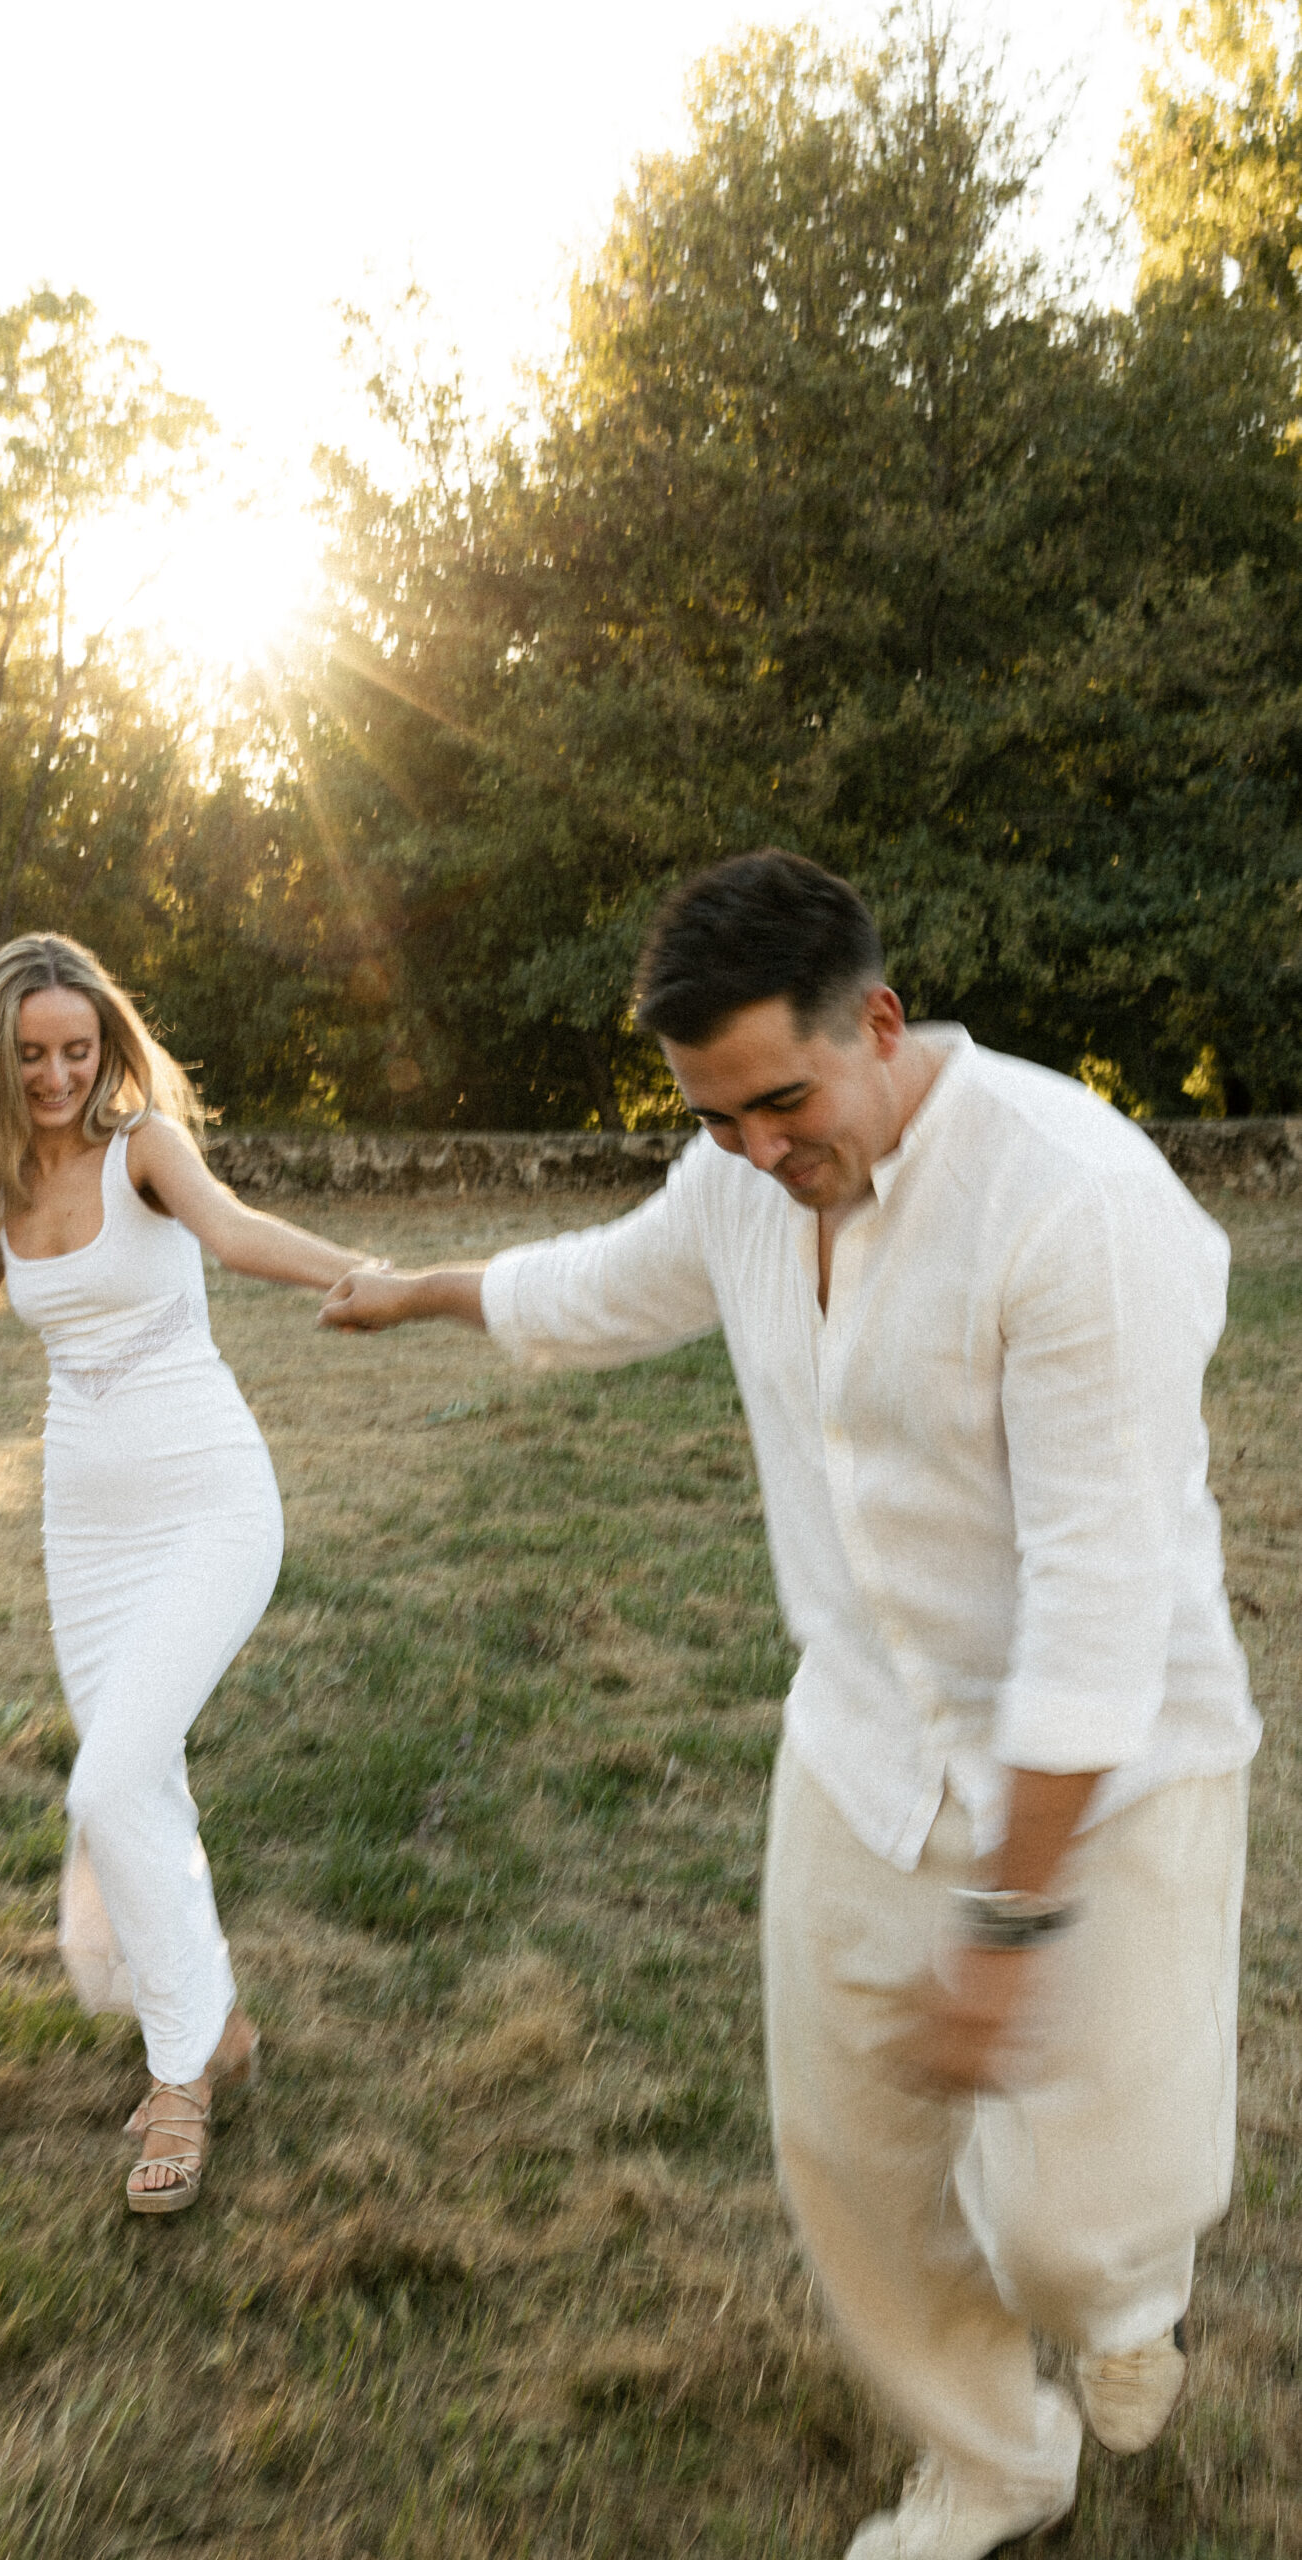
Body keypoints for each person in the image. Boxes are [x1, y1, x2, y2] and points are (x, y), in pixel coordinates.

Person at [318, 851, 1259, 2560]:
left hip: (1108, 1774)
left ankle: (1121, 2294)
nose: (753, 1151)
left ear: (877, 1025)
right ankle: (991, 2460)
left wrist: (1005, 1926)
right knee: (853, 2154)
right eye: (710, 1118)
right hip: (859, 1748)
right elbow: (613, 1279)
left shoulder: (1072, 1203)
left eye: (777, 1101)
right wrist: (428, 1291)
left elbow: (1096, 1618)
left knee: (1069, 2223)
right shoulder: (745, 1169)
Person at [0, 932, 381, 2216]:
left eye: (78, 1049)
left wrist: (355, 1271)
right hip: (88, 1530)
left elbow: (231, 1227)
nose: (58, 1076)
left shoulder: (142, 1147)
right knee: (134, 1783)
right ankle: (211, 2023)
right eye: (34, 1054)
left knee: (107, 1778)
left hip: (211, 1500)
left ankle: (178, 2081)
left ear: (106, 1045)